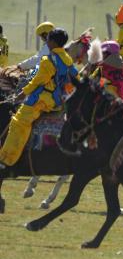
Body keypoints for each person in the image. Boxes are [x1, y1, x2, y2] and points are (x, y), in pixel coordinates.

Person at [0, 28, 77, 171]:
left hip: (42, 101)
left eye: (48, 40)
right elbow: (74, 77)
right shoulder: (67, 59)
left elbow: (37, 81)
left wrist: (23, 93)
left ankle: (6, 160)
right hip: (58, 101)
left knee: (18, 122)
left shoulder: (48, 61)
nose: (46, 42)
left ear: (53, 42)